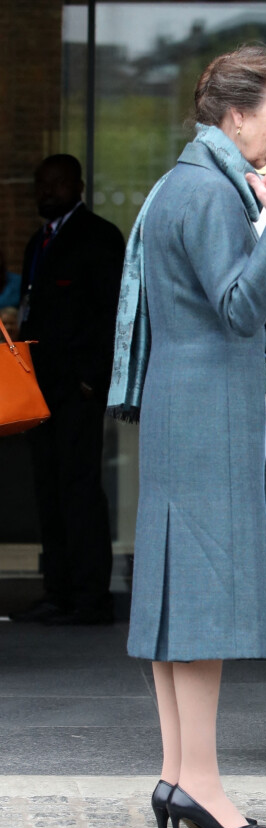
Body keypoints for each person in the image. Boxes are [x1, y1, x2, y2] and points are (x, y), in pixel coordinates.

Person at [107, 45, 266, 828]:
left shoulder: (181, 185)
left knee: (178, 606)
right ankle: (203, 787)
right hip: (207, 411)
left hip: (182, 402)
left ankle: (181, 779)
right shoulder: (212, 192)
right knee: (202, 605)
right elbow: (233, 307)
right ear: (235, 115)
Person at [10, 154, 125, 626]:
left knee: (79, 489)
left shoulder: (97, 237)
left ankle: (89, 596)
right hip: (38, 388)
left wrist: (90, 379)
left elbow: (112, 313)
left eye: (55, 184)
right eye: (40, 184)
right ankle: (56, 590)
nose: (46, 192)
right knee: (48, 490)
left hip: (76, 389)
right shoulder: (38, 241)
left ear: (77, 185)